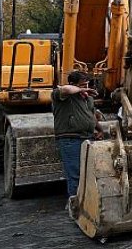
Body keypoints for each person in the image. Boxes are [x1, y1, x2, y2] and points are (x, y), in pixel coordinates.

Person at [52, 71, 103, 200]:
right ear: (73, 84)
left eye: (87, 84)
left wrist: (100, 130)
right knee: (75, 174)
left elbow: (91, 116)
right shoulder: (62, 96)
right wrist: (80, 89)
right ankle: (75, 204)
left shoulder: (88, 99)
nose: (86, 88)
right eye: (82, 85)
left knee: (89, 173)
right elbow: (66, 89)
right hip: (70, 140)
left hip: (87, 138)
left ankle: (86, 204)